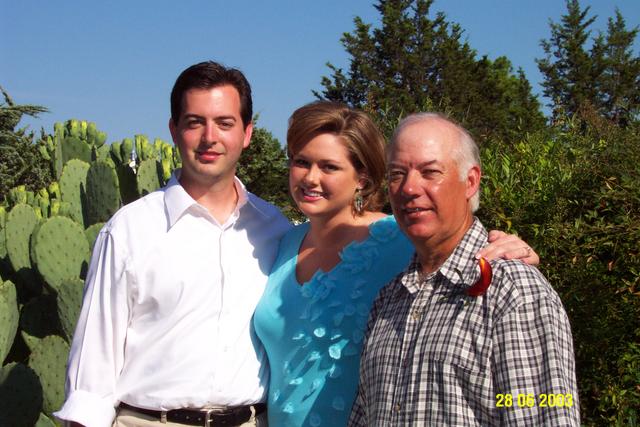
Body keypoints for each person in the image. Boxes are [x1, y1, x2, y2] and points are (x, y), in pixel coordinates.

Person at [253, 102, 540, 427]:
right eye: (301, 162)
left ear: (361, 177)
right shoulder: (281, 242)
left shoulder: (399, 236)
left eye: (329, 167)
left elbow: (461, 242)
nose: (310, 177)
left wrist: (514, 251)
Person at [54, 61, 290, 427]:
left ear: (247, 133)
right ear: (174, 130)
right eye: (195, 122)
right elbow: (92, 369)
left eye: (225, 123)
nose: (210, 137)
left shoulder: (274, 228)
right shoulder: (129, 230)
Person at [348, 113, 579, 426]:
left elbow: (544, 416)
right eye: (397, 174)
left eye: (430, 172)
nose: (409, 188)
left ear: (470, 181)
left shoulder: (513, 292)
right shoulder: (389, 299)